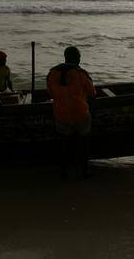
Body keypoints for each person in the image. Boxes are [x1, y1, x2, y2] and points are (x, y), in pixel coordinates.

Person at [46, 46, 96, 178]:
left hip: (61, 115)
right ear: (77, 59)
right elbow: (92, 93)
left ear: (65, 58)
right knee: (84, 143)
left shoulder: (52, 74)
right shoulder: (81, 73)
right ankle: (85, 170)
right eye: (79, 57)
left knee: (64, 144)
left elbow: (50, 93)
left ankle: (64, 171)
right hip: (81, 114)